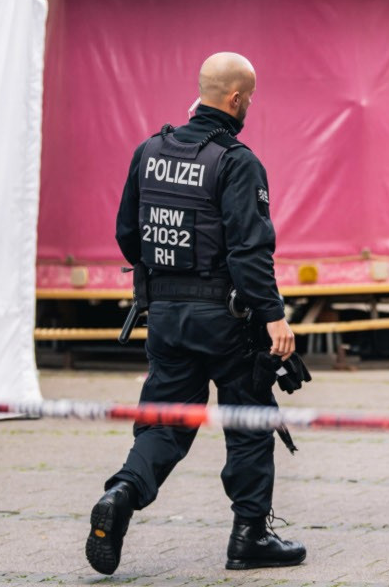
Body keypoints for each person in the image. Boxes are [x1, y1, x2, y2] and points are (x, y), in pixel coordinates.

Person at [86, 52, 305, 574]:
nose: (248, 105)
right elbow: (250, 252)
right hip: (226, 322)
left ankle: (121, 492)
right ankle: (249, 537)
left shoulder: (150, 151)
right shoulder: (237, 161)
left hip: (164, 317)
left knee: (163, 422)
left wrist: (165, 282)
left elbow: (126, 235)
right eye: (248, 98)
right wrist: (273, 315)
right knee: (249, 421)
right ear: (234, 99)